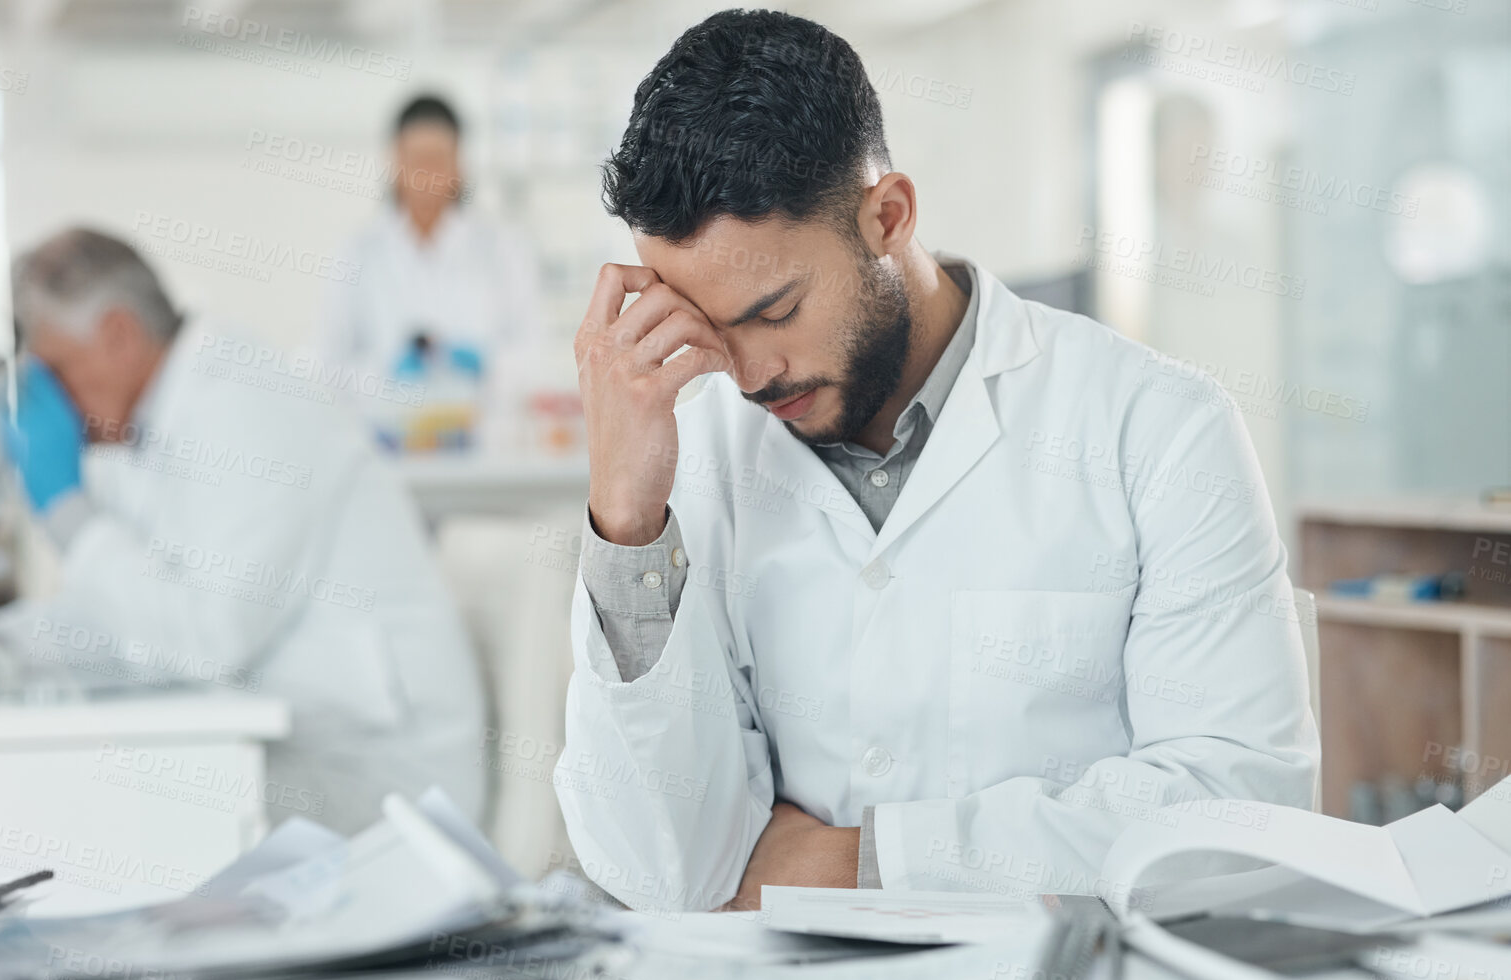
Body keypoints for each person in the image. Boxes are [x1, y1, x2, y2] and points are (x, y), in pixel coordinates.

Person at [556, 11, 1319, 912]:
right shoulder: (690, 465)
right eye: (711, 331)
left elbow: (1238, 817)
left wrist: (860, 862)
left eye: (774, 310)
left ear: (887, 215)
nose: (752, 373)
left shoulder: (1155, 427)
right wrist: (628, 520)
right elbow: (656, 867)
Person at [0, 228, 485, 833]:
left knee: (111, 816)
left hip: (383, 776)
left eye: (58, 374)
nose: (55, 407)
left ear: (118, 334)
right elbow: (129, 618)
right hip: (299, 744)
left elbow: (207, 640)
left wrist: (70, 514)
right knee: (77, 791)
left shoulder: (244, 404)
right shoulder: (153, 426)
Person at [322, 95, 543, 450]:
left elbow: (532, 353)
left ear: (459, 165)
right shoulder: (358, 252)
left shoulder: (503, 249)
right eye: (415, 159)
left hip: (484, 451)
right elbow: (329, 364)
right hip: (387, 453)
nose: (426, 172)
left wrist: (481, 368)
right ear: (394, 162)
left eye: (437, 159)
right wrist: (388, 376)